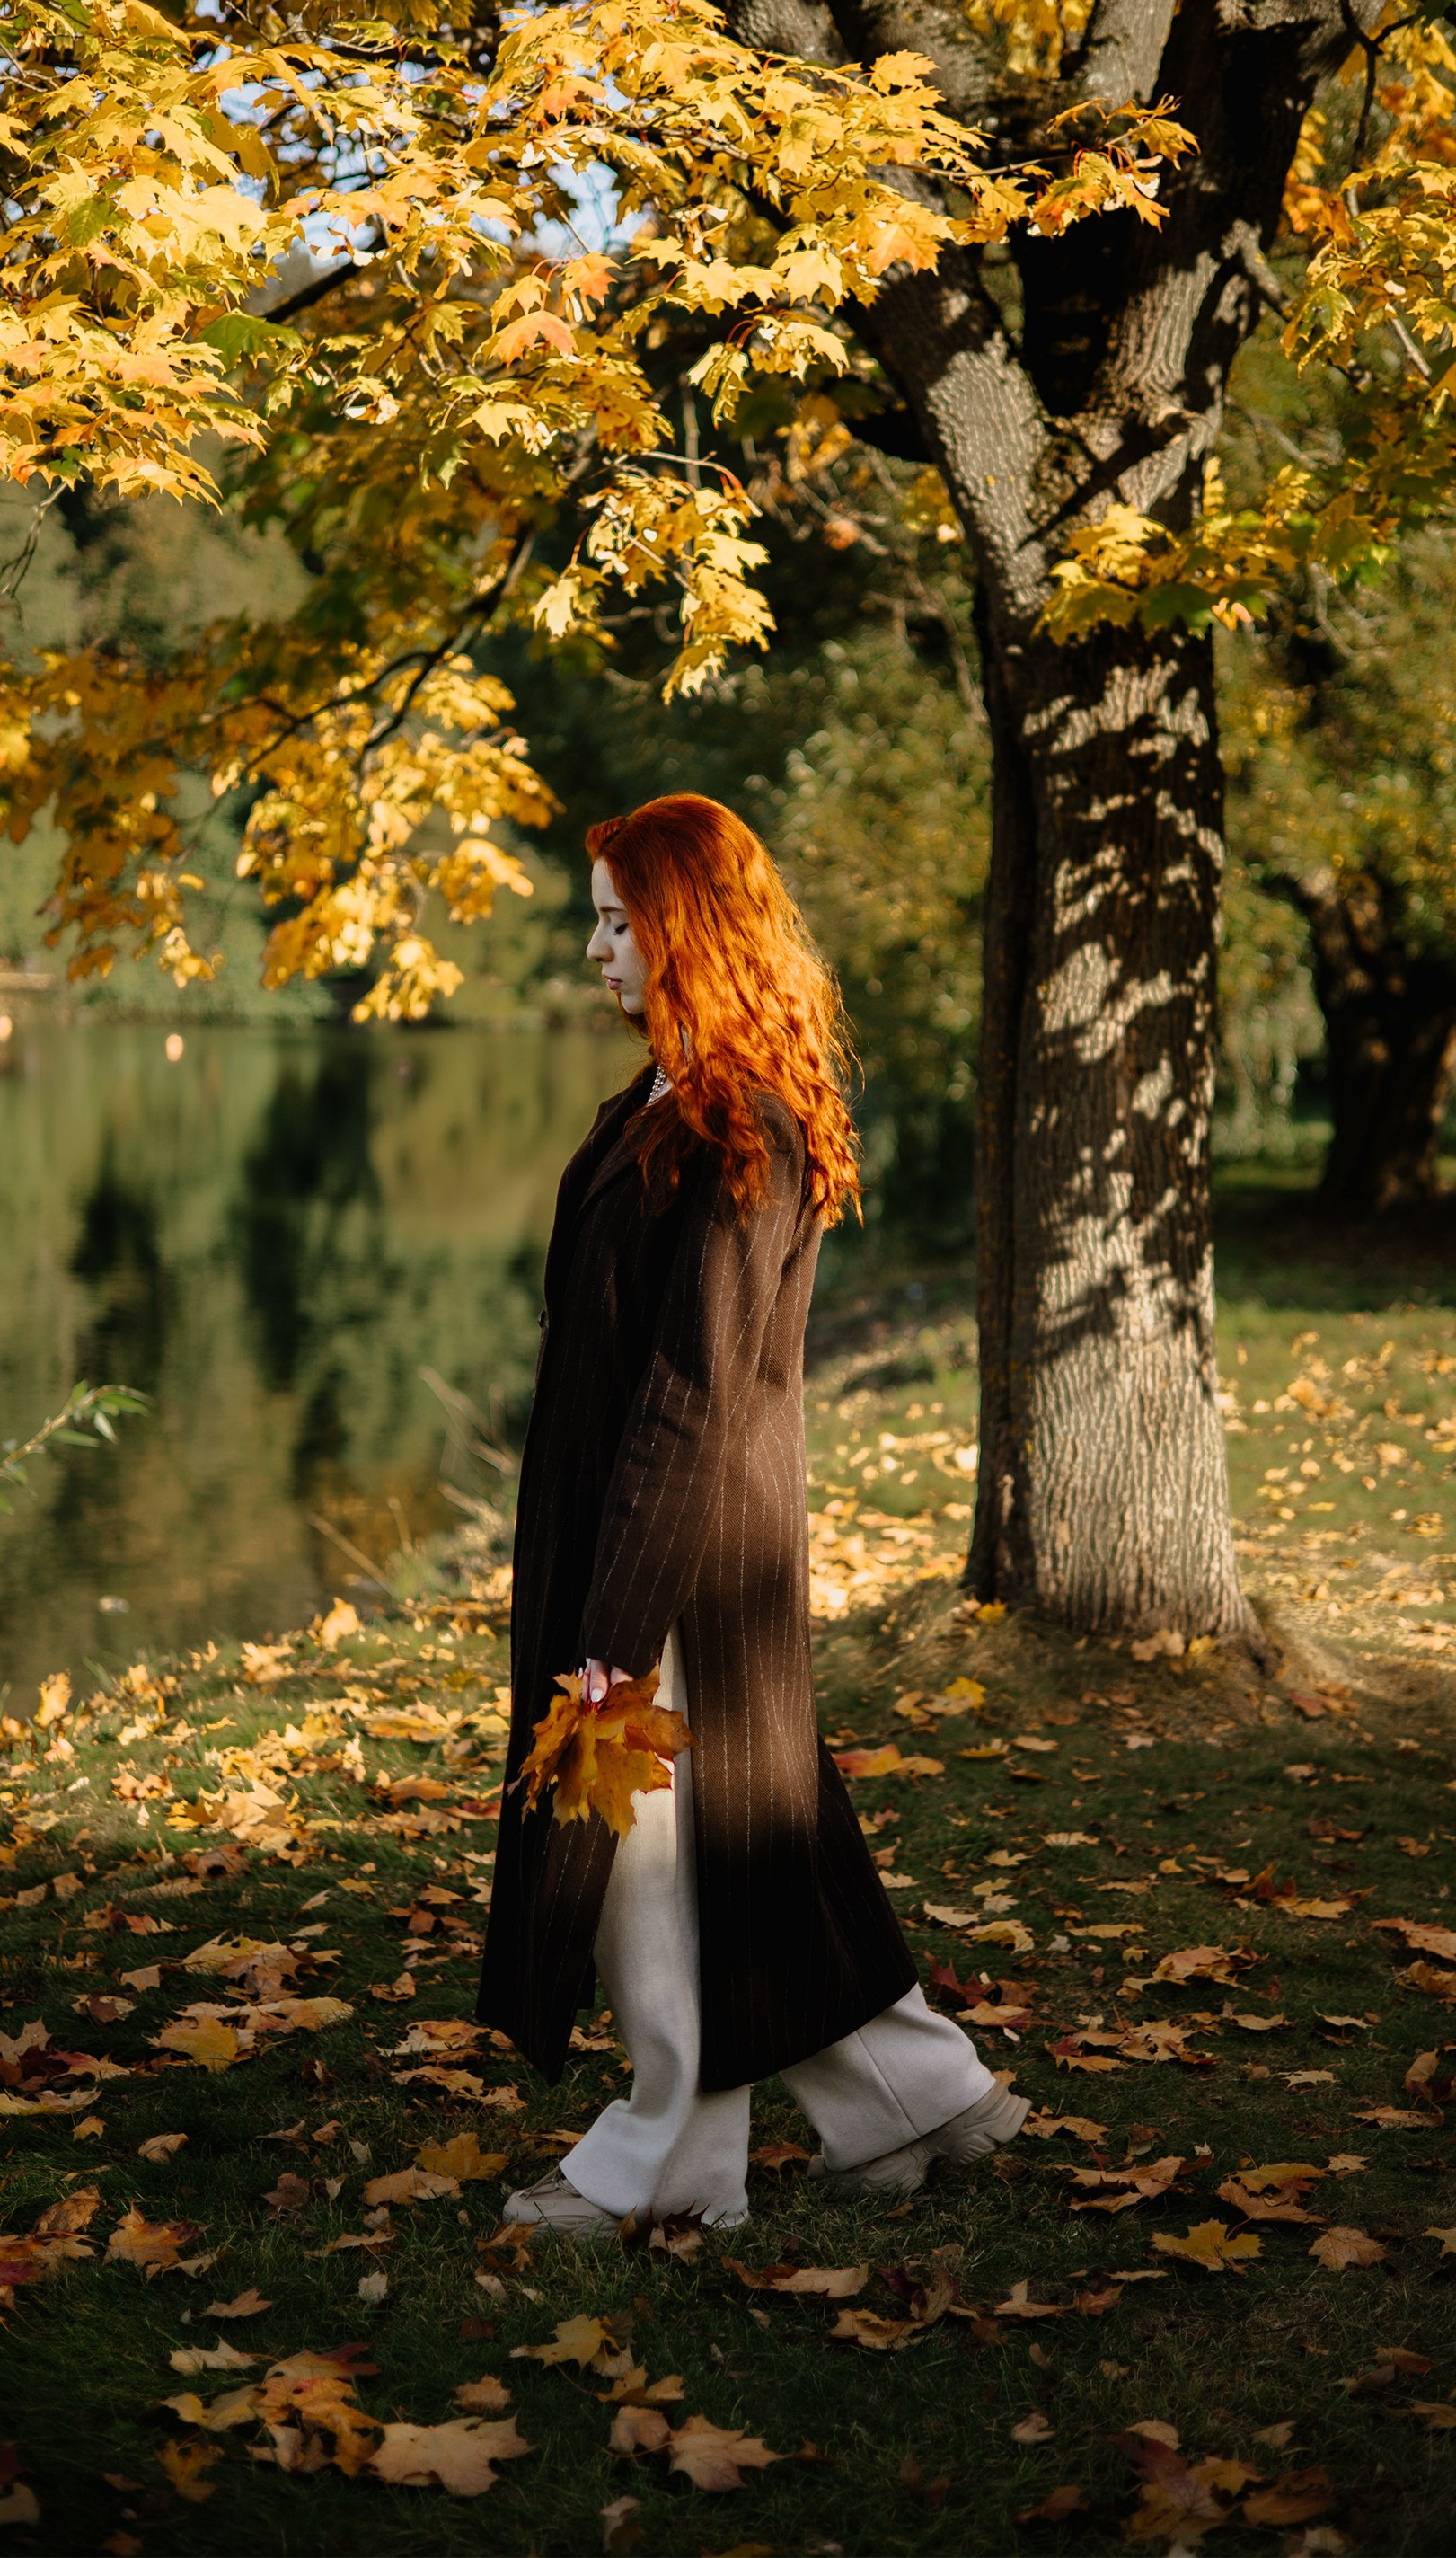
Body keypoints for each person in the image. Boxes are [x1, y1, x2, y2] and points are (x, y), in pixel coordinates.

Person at [477, 794, 1023, 2234]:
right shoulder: (666, 1102)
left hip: (686, 1562)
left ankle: (668, 2165)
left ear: (688, 933)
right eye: (594, 918)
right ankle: (921, 2101)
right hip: (659, 1544)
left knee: (649, 1876)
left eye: (617, 922)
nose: (596, 950)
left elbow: (691, 1396)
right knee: (763, 1850)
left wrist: (613, 1632)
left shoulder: (740, 1132)